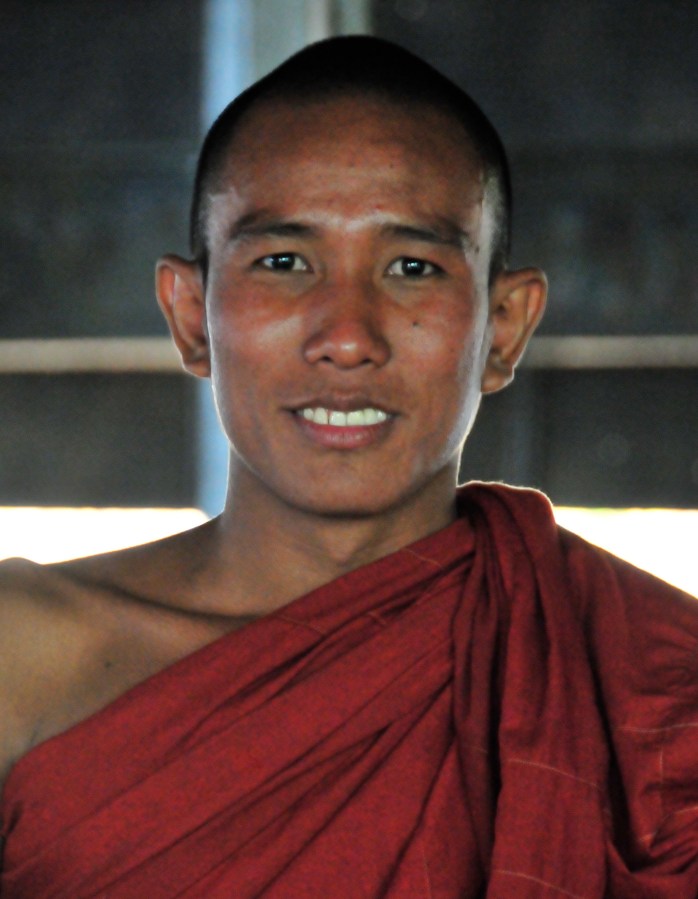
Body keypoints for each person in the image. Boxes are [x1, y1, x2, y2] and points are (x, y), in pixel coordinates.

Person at [0, 35, 696, 898]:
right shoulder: (22, 657)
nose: (347, 337)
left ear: (505, 327)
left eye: (412, 268)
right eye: (284, 262)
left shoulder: (650, 686)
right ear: (189, 316)